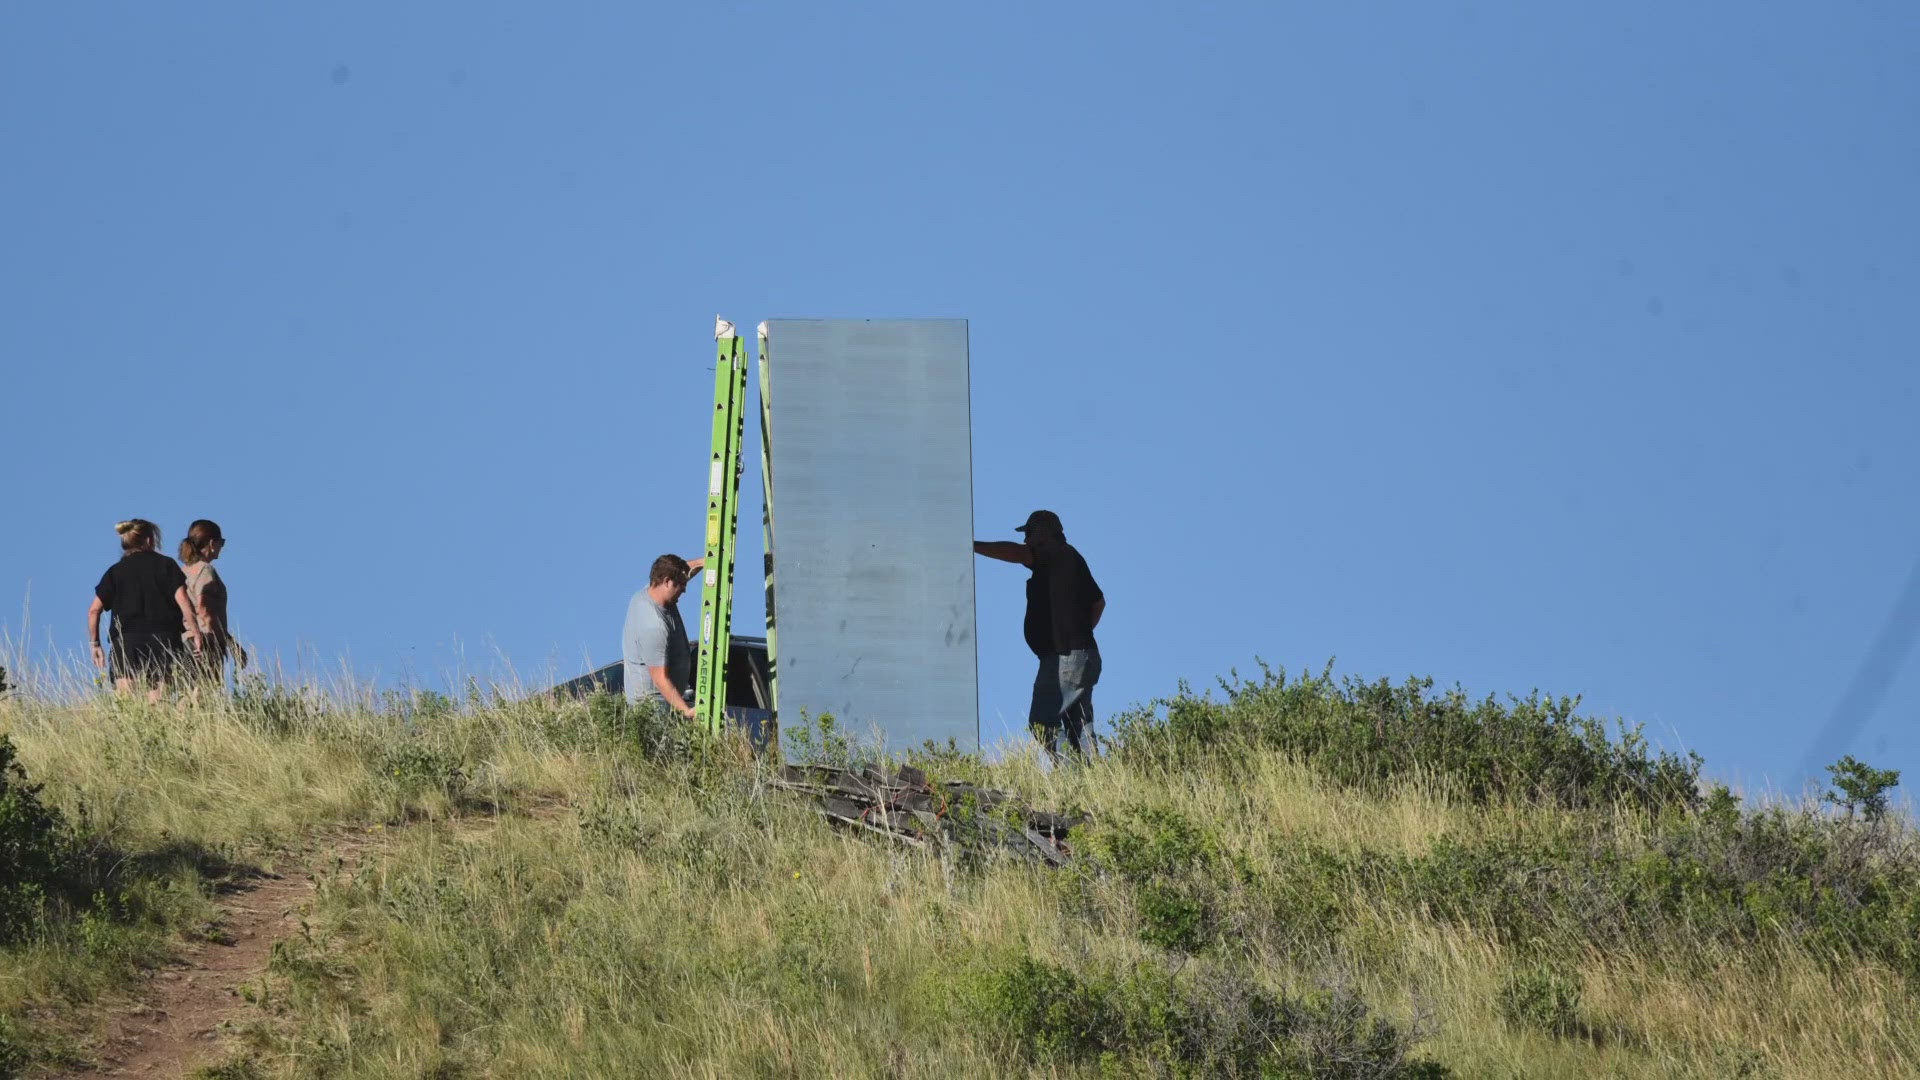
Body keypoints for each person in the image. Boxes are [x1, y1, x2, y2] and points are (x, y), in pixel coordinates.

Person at [975, 509, 1106, 760]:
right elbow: (1099, 602)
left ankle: (1066, 774)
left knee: (1043, 723)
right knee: (1077, 724)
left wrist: (970, 546)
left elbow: (1017, 553)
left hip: (1063, 657)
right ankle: (1089, 777)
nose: (1026, 540)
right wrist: (1080, 636)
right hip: (1078, 655)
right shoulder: (1071, 557)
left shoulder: (1055, 554)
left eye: (1029, 533)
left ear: (1044, 532)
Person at [87, 519, 202, 703]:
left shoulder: (115, 572)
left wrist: (95, 645)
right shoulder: (166, 565)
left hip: (126, 642)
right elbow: (183, 600)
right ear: (149, 540)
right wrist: (196, 633)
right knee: (157, 705)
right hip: (164, 641)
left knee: (127, 705)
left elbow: (94, 611)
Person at [623, 553, 704, 717]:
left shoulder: (653, 589)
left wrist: (705, 562)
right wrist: (687, 711)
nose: (685, 589)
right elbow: (660, 678)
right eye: (681, 584)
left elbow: (681, 571)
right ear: (667, 582)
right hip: (653, 708)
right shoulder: (653, 625)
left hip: (667, 702)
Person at [178, 519, 247, 685]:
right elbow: (204, 608)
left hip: (183, 639)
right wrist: (227, 642)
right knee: (206, 691)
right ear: (211, 543)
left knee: (189, 691)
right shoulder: (205, 570)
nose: (221, 547)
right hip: (205, 639)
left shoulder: (183, 571)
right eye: (221, 542)